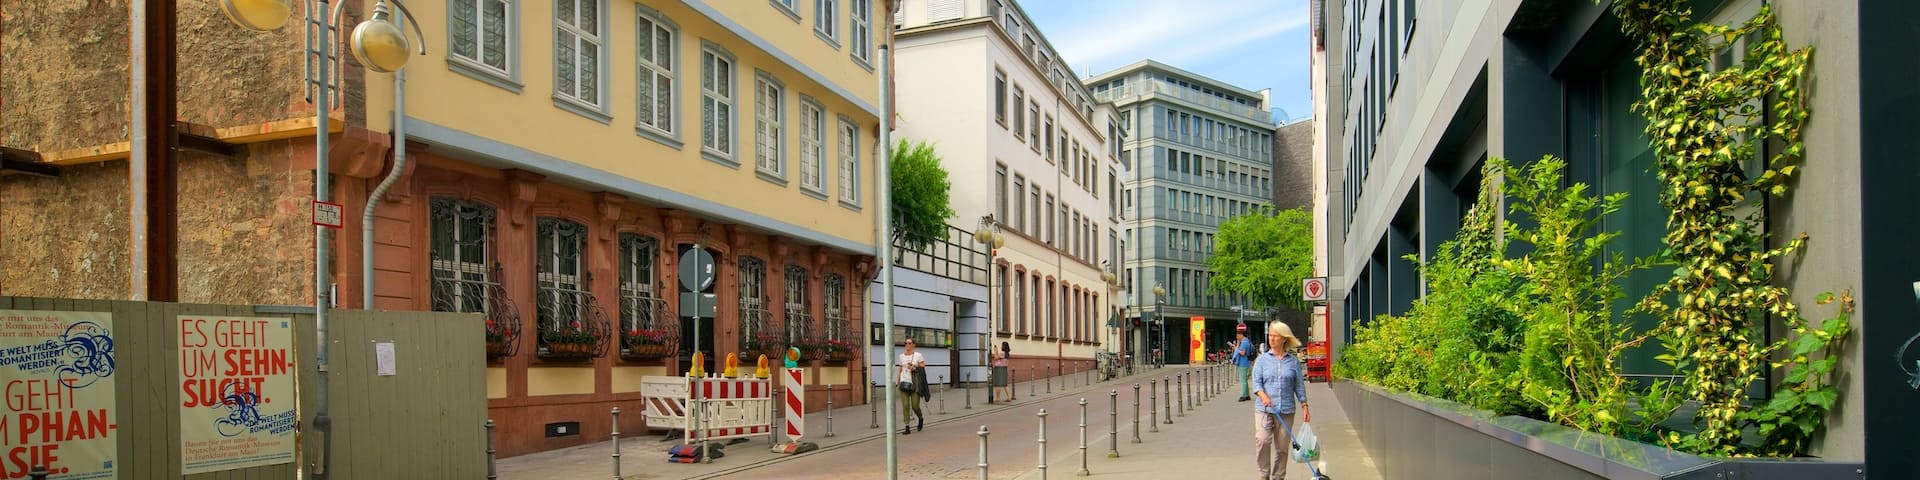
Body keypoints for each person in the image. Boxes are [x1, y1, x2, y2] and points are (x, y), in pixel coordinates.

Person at [1250, 322, 1308, 480]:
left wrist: (1304, 405)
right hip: (1264, 409)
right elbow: (1257, 384)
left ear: (1284, 338)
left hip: (1287, 410)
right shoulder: (1261, 360)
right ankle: (1264, 475)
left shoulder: (1293, 362)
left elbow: (1299, 385)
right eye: (1270, 335)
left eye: (1275, 335)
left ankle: (1278, 477)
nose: (1272, 338)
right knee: (1262, 440)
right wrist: (1263, 396)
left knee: (1282, 448)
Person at [899, 338, 928, 435]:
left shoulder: (918, 355)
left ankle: (920, 418)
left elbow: (923, 367)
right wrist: (897, 382)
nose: (907, 344)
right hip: (904, 383)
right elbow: (900, 369)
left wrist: (914, 368)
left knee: (915, 406)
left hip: (915, 384)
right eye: (905, 343)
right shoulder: (901, 356)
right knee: (905, 406)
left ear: (913, 345)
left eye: (909, 343)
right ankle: (907, 427)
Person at [1233, 326, 1254, 402]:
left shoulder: (1244, 342)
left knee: (1243, 380)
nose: (1237, 336)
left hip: (1243, 363)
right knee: (1244, 379)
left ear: (1241, 335)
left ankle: (1244, 395)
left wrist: (1236, 349)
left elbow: (1243, 353)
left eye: (1237, 335)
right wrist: (1238, 344)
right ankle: (1247, 394)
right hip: (1245, 362)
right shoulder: (1246, 341)